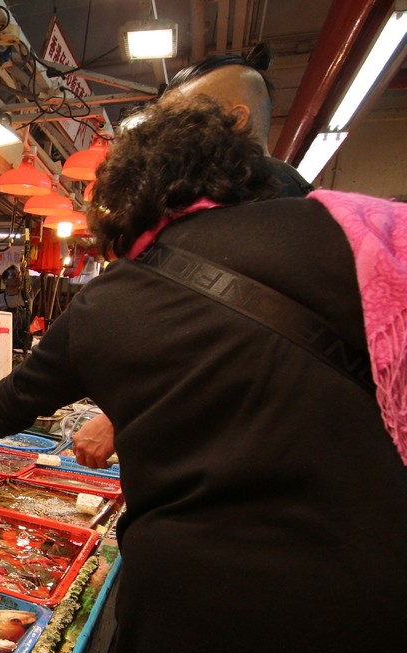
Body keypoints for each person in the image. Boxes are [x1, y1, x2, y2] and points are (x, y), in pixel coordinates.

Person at [0, 97, 407, 653]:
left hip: (205, 629)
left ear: (129, 201)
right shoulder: (355, 233)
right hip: (379, 620)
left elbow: (13, 399)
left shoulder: (116, 297)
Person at [72, 46, 312, 469]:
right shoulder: (271, 199)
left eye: (183, 118)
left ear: (236, 119)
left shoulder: (266, 200)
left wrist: (117, 416)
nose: (167, 136)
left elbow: (229, 345)